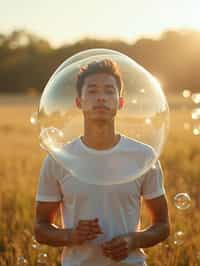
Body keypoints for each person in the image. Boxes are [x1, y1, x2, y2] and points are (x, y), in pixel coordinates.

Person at [34, 59, 170, 266]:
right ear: (79, 101)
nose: (100, 98)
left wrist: (133, 240)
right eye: (92, 91)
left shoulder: (143, 156)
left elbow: (162, 225)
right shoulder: (58, 159)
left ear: (120, 102)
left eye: (109, 91)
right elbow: (41, 228)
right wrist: (70, 235)